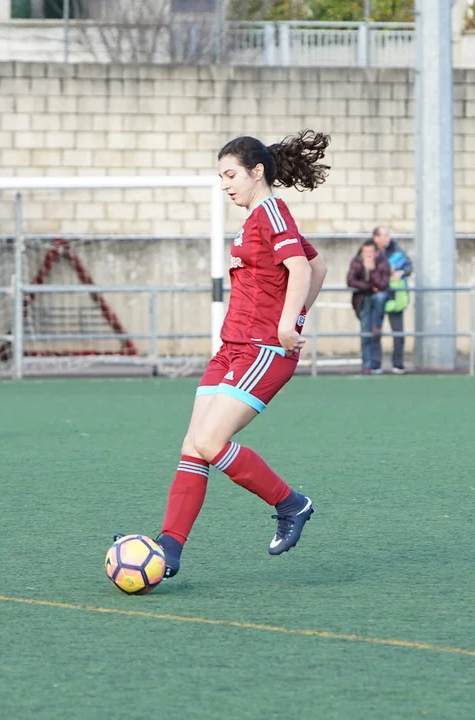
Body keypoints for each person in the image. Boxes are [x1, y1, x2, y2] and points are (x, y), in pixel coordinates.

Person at [153, 130, 330, 579]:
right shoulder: (256, 218)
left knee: (211, 442)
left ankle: (291, 504)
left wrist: (290, 323)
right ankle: (169, 547)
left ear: (257, 172)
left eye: (230, 175)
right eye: (221, 177)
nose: (224, 185)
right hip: (231, 349)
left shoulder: (271, 211)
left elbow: (299, 268)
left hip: (262, 351)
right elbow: (318, 264)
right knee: (194, 445)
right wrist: (292, 311)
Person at [372, 225, 414, 373]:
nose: (388, 238)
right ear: (376, 238)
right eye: (385, 235)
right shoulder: (369, 250)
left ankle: (398, 364)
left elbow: (409, 267)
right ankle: (375, 365)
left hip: (395, 297)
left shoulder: (397, 251)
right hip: (376, 296)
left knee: (398, 333)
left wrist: (401, 272)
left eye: (388, 235)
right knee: (375, 332)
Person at [346, 240, 390, 374]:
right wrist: (370, 286)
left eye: (371, 252)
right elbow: (351, 281)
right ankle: (367, 365)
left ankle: (375, 365)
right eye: (365, 252)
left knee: (375, 333)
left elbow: (383, 284)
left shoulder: (383, 263)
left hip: (377, 304)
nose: (368, 255)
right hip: (363, 300)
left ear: (376, 253)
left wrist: (372, 271)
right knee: (366, 333)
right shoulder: (357, 262)